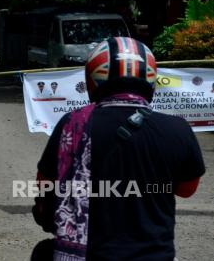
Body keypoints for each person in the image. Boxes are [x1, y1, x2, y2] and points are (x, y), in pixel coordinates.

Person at [32, 37, 205, 260]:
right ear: (150, 77)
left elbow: (44, 183)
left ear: (94, 77)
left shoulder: (71, 125)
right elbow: (187, 190)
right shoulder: (178, 128)